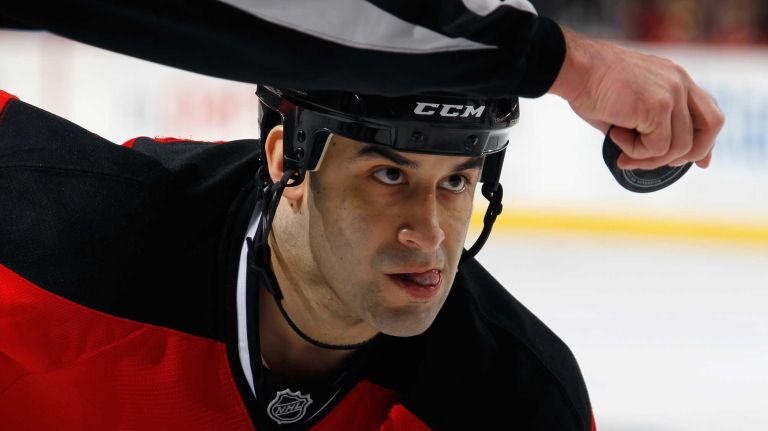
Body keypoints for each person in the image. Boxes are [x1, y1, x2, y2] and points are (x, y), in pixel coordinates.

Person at [0, 1, 724, 430]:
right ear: (288, 159)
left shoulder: (518, 398)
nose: (431, 232)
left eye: (457, 181)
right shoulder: (55, 232)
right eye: (389, 173)